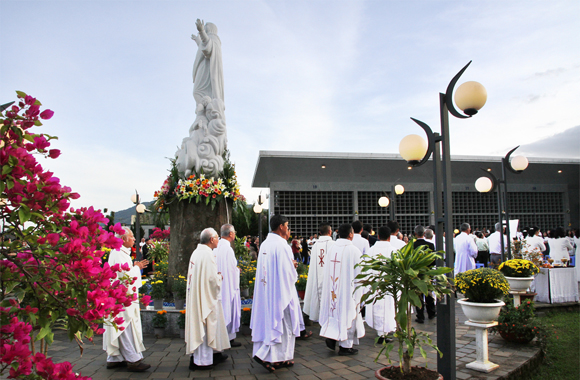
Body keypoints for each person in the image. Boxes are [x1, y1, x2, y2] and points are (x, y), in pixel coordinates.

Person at [251, 215, 305, 372]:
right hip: (281, 291)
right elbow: (287, 272)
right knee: (284, 322)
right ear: (281, 226)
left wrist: (289, 264)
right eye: (287, 225)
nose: (288, 229)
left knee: (273, 322)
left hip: (267, 291)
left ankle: (280, 358)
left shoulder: (266, 244)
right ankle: (266, 355)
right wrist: (293, 266)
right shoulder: (282, 245)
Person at [103, 227, 151, 372]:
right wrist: (137, 267)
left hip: (120, 296)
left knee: (120, 327)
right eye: (132, 236)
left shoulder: (120, 253)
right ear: (123, 239)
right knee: (125, 327)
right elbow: (126, 278)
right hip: (121, 298)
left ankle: (114, 358)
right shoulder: (118, 254)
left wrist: (135, 267)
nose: (134, 239)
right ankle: (133, 359)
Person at [185, 228, 230, 370]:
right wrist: (220, 277)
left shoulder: (196, 252)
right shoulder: (208, 255)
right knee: (206, 325)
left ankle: (214, 353)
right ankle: (203, 361)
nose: (218, 240)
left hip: (198, 295)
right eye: (217, 237)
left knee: (204, 325)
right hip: (206, 298)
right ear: (211, 239)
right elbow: (211, 279)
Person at [319, 223, 365, 356]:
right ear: (351, 234)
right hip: (347, 291)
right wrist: (360, 292)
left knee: (334, 313)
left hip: (333, 289)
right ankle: (345, 346)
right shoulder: (354, 250)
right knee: (348, 315)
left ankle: (332, 337)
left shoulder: (332, 248)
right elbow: (359, 274)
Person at [365, 226, 396, 340]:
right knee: (387, 307)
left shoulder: (371, 250)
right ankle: (384, 332)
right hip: (389, 285)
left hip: (376, 284)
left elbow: (366, 268)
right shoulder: (393, 251)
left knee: (377, 306)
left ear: (378, 236)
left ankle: (381, 332)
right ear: (389, 237)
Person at [213, 224, 242, 348]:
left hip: (219, 283)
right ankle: (228, 338)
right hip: (229, 284)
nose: (234, 234)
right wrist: (237, 271)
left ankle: (225, 337)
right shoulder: (228, 249)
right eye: (234, 232)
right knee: (229, 308)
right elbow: (231, 268)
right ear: (230, 234)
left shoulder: (215, 247)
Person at [303, 223, 334, 322]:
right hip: (330, 279)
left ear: (320, 233)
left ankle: (317, 315)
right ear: (330, 232)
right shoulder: (334, 245)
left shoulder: (315, 246)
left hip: (317, 278)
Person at [413, 225, 436, 323]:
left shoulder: (412, 246)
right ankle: (431, 313)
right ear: (424, 234)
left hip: (416, 273)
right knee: (429, 293)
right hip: (427, 273)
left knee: (418, 295)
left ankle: (420, 315)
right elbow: (434, 260)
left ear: (415, 234)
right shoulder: (430, 245)